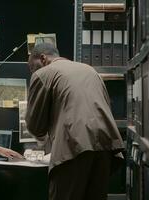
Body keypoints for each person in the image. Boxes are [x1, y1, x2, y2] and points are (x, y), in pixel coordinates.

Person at [25, 43, 125, 200]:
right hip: (106, 144)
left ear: (43, 58)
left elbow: (35, 126)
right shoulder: (90, 70)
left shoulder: (44, 73)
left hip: (74, 145)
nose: (33, 71)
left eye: (32, 67)